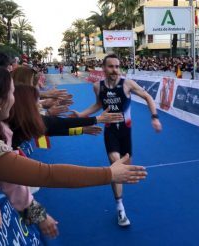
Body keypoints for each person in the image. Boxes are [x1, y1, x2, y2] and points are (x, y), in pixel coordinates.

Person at [0, 63, 147, 232]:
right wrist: (109, 174)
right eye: (12, 93)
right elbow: (47, 174)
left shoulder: (1, 130)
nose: (15, 98)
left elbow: (9, 182)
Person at [71, 54, 162, 227]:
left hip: (126, 132)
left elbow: (148, 97)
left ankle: (119, 196)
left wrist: (155, 117)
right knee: (116, 165)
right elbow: (99, 104)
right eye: (111, 67)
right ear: (104, 68)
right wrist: (82, 114)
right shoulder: (97, 86)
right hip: (110, 131)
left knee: (126, 168)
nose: (115, 70)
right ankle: (120, 207)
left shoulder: (127, 84)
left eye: (117, 66)